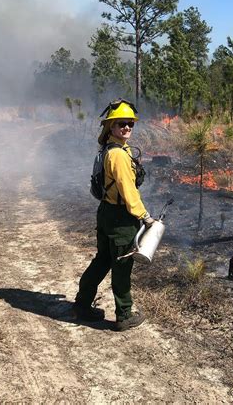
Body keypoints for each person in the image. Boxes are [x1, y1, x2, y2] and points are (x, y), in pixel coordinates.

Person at [73, 99, 155, 331]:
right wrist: (145, 216)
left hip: (106, 213)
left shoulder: (111, 148)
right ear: (111, 126)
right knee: (122, 265)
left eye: (130, 123)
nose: (127, 127)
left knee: (102, 260)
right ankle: (124, 315)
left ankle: (81, 304)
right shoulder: (118, 155)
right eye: (121, 123)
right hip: (120, 218)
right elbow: (128, 190)